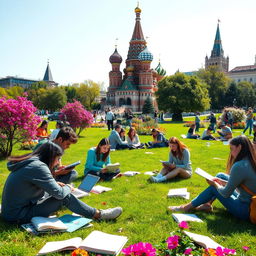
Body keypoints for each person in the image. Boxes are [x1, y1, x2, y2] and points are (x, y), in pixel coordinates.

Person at [1, 142, 123, 224]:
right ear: (50, 156)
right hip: (17, 216)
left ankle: (92, 211)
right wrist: (68, 188)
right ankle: (99, 215)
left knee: (60, 191)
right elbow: (60, 195)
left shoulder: (32, 162)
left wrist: (56, 184)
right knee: (64, 196)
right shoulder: (38, 167)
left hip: (13, 210)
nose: (58, 163)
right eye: (58, 159)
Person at [168, 136, 256, 222]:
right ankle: (207, 204)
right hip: (249, 201)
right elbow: (241, 184)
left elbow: (225, 193)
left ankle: (185, 208)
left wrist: (215, 184)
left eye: (231, 149)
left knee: (214, 188)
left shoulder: (239, 166)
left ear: (239, 147)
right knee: (220, 176)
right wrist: (221, 181)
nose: (231, 153)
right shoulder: (250, 160)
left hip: (245, 210)